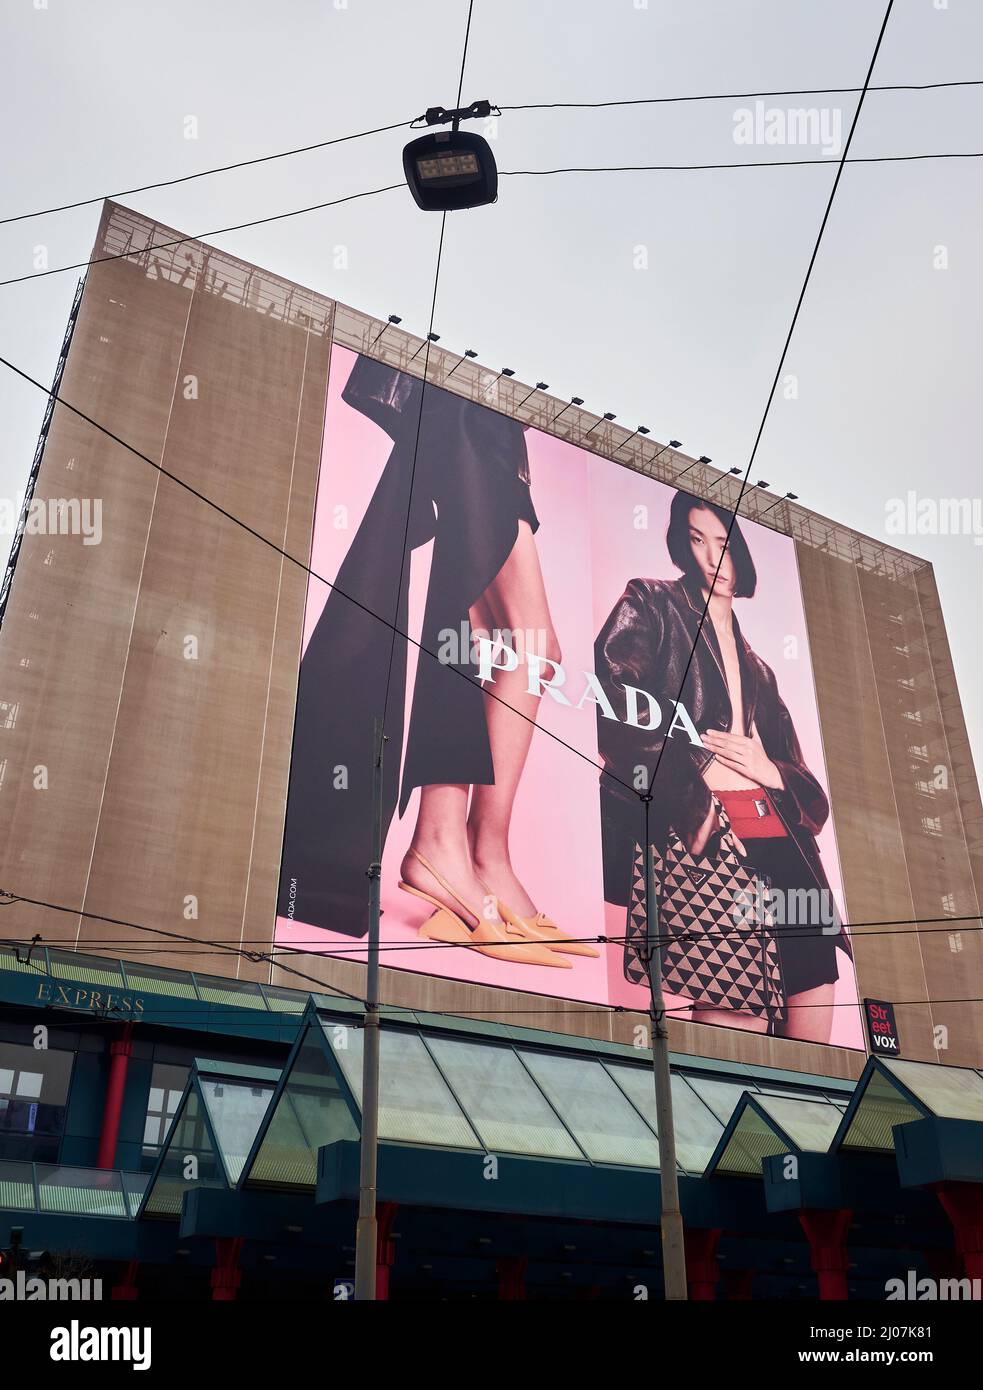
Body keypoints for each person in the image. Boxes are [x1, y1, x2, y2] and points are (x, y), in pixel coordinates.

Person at [278, 353, 596, 967]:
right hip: (464, 410)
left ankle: (476, 853)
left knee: (499, 635)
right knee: (525, 639)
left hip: (485, 417)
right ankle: (453, 845)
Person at [594, 489, 848, 1041]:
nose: (713, 558)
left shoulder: (759, 669)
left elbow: (812, 795)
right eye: (697, 540)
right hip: (706, 826)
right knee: (735, 1009)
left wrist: (769, 767)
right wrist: (695, 767)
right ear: (681, 547)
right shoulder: (652, 603)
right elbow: (612, 699)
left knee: (814, 1004)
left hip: (783, 842)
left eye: (724, 543)